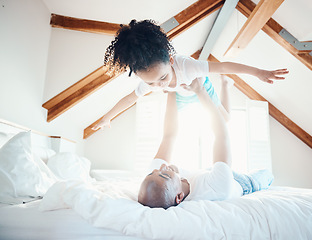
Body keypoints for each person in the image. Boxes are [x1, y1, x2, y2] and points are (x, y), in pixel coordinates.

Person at [92, 19, 288, 130]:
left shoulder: (188, 67)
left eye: (162, 78)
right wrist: (107, 117)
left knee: (224, 121)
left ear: (170, 60)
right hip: (182, 94)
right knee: (177, 126)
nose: (159, 86)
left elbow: (224, 66)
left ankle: (227, 86)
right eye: (151, 84)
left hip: (201, 87)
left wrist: (258, 73)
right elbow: (129, 99)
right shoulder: (152, 82)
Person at [137, 76, 274, 209]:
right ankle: (225, 84)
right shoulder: (216, 187)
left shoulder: (156, 181)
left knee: (225, 117)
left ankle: (225, 84)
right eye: (165, 174)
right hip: (240, 183)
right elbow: (222, 135)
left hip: (208, 172)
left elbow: (169, 136)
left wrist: (171, 90)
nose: (161, 167)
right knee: (266, 174)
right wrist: (200, 91)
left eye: (153, 172)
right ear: (179, 197)